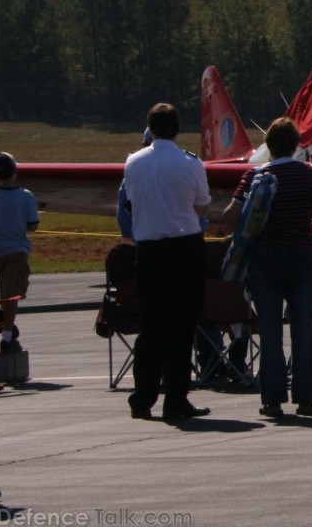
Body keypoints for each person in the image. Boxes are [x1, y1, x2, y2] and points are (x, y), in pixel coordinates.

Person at [223, 117, 312, 420]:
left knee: (270, 333)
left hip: (265, 261)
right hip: (301, 259)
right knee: (303, 331)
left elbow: (231, 215)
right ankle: (306, 399)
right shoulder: (310, 174)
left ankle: (272, 399)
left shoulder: (254, 175)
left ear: (268, 146)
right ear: (297, 144)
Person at [120, 103, 213, 422]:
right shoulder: (191, 162)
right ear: (177, 128)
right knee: (182, 326)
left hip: (148, 251)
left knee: (150, 327)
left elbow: (131, 201)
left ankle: (142, 398)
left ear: (151, 128)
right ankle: (176, 399)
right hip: (184, 248)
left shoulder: (133, 162)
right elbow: (202, 206)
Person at [0, 154, 38, 358]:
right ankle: (7, 338)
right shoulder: (26, 196)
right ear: (15, 170)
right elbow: (33, 225)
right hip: (16, 251)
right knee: (11, 297)